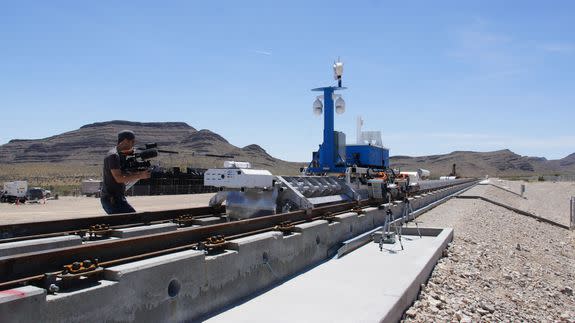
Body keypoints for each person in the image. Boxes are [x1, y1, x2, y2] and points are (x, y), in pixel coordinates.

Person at [100, 130, 151, 214]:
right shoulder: (113, 155)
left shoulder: (117, 155)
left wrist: (136, 173)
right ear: (125, 141)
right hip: (113, 200)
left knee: (129, 221)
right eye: (132, 142)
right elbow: (119, 178)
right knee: (132, 220)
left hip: (116, 198)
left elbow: (120, 175)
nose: (133, 144)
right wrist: (140, 176)